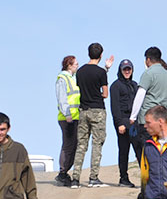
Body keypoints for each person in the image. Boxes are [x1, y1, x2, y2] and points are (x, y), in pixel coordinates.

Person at [71, 42, 114, 188]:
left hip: (83, 110)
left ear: (89, 53)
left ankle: (75, 178)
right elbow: (106, 94)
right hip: (97, 110)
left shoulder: (81, 71)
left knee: (81, 144)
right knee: (97, 144)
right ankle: (93, 177)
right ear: (101, 55)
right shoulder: (101, 72)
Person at [128, 46, 167, 146]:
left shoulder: (148, 74)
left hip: (147, 117)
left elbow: (140, 95)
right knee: (160, 148)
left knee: (148, 148)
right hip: (163, 117)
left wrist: (133, 116)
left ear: (148, 59)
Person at [109, 58, 142, 187]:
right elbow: (115, 107)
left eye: (129, 69)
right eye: (125, 69)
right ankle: (123, 178)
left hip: (135, 121)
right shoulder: (115, 86)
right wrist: (119, 124)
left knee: (139, 150)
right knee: (124, 150)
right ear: (120, 70)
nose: (127, 71)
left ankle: (147, 178)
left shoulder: (135, 85)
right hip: (122, 120)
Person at [54, 55, 80, 187]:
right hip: (67, 118)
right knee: (68, 145)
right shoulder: (62, 79)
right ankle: (62, 173)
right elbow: (62, 97)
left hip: (75, 117)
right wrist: (67, 114)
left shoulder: (72, 78)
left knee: (74, 145)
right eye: (75, 63)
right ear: (69, 65)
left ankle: (65, 172)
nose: (77, 65)